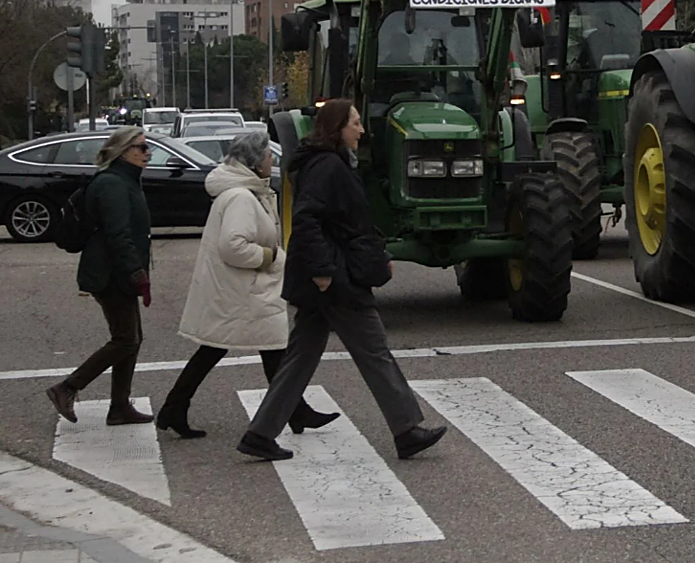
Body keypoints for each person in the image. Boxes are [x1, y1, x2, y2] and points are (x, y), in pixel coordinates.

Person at [237, 99, 445, 461]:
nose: (362, 130)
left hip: (328, 276)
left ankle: (260, 433)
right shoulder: (328, 166)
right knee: (374, 350)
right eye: (356, 123)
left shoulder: (327, 163)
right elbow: (306, 220)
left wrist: (376, 257)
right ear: (337, 128)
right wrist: (323, 271)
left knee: (300, 358)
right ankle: (407, 429)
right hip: (334, 279)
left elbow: (346, 222)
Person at [157, 132, 339, 439]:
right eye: (269, 155)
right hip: (243, 290)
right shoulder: (241, 197)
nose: (272, 160)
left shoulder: (245, 191)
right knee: (266, 347)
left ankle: (176, 408)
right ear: (254, 162)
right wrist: (270, 257)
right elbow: (233, 246)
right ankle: (294, 411)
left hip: (239, 289)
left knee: (233, 349)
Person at [46, 127, 155, 426]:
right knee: (125, 339)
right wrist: (136, 273)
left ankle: (119, 407)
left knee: (131, 338)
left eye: (147, 148)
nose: (147, 153)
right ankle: (66, 388)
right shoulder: (112, 184)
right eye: (141, 148)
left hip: (117, 271)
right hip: (110, 273)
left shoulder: (125, 180)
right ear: (123, 151)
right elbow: (117, 234)